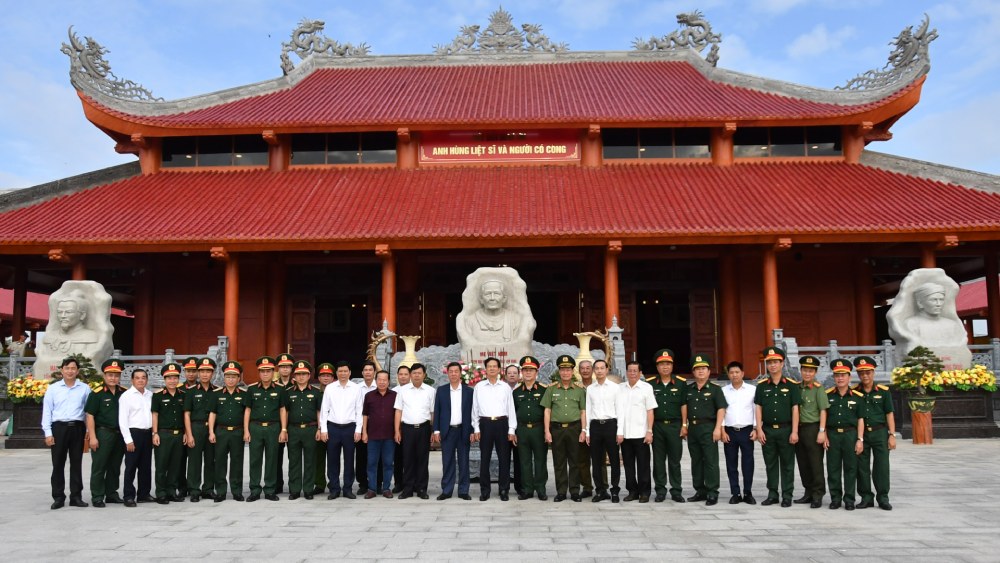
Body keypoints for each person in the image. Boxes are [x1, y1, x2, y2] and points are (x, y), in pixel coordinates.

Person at [42, 356, 92, 509]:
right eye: (67, 368)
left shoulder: (84, 388)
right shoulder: (53, 389)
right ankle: (58, 497)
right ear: (62, 370)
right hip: (59, 428)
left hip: (77, 428)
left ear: (77, 371)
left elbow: (88, 412)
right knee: (58, 464)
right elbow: (47, 412)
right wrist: (48, 433)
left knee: (76, 463)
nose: (70, 371)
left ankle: (76, 497)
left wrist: (88, 430)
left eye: (73, 368)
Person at [755, 347, 801, 507]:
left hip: (786, 429)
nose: (773, 365)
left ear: (782, 364)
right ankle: (772, 494)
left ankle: (787, 495)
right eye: (770, 363)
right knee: (771, 464)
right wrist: (759, 429)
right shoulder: (761, 386)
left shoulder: (792, 385)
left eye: (776, 362)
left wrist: (795, 431)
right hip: (767, 430)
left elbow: (795, 409)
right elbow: (758, 407)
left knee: (788, 464)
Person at [471, 357, 518, 501]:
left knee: (504, 458)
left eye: (494, 366)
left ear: (499, 369)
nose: (492, 368)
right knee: (484, 458)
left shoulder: (505, 387)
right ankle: (485, 490)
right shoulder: (479, 387)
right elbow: (475, 408)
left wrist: (511, 430)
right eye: (489, 366)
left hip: (502, 424)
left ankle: (504, 490)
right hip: (485, 424)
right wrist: (476, 428)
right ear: (485, 369)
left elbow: (511, 409)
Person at [541, 355, 587, 502]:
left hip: (574, 428)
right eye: (562, 370)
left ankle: (574, 491)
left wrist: (584, 430)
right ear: (559, 372)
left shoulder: (579, 390)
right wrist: (547, 431)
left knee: (575, 461)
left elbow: (583, 411)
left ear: (572, 371)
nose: (565, 373)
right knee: (559, 462)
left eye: (568, 370)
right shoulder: (551, 389)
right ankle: (561, 491)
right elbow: (547, 411)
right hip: (557, 429)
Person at [853, 355, 895, 511]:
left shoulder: (883, 392)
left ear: (873, 372)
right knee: (861, 467)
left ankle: (883, 497)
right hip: (862, 435)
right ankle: (866, 497)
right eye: (862, 373)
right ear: (858, 374)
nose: (865, 375)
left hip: (880, 433)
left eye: (868, 372)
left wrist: (892, 435)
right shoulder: (854, 392)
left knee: (882, 466)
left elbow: (889, 413)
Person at [685, 354, 727, 505]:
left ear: (709, 371)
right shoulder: (688, 389)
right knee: (696, 460)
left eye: (703, 368)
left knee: (710, 461)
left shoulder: (715, 390)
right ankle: (700, 490)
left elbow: (721, 409)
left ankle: (712, 491)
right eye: (697, 369)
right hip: (693, 428)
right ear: (693, 372)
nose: (700, 371)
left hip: (709, 427)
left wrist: (718, 428)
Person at [824, 358, 865, 510]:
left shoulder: (857, 397)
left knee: (850, 468)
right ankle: (835, 498)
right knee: (833, 468)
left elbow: (861, 419)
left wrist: (860, 439)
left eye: (843, 375)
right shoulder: (828, 395)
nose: (840, 378)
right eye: (837, 375)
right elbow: (825, 417)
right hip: (833, 435)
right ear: (833, 377)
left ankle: (849, 499)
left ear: (849, 377)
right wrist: (825, 435)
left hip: (850, 435)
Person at [84, 358, 127, 507]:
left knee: (115, 466)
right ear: (104, 376)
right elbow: (90, 416)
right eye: (110, 375)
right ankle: (97, 496)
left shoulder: (124, 393)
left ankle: (111, 494)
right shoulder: (97, 394)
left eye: (116, 375)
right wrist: (93, 437)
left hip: (119, 435)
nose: (113, 378)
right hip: (103, 433)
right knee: (99, 466)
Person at [319, 361, 364, 500]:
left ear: (350, 373)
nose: (343, 374)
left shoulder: (356, 389)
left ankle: (348, 489)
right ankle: (334, 488)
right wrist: (324, 429)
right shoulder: (330, 388)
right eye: (340, 371)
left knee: (349, 460)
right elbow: (324, 410)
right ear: (336, 373)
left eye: (345, 371)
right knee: (332, 459)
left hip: (350, 428)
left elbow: (359, 410)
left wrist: (358, 429)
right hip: (333, 427)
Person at [648, 348, 688, 503]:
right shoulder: (650, 384)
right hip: (657, 426)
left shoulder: (680, 383)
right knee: (658, 460)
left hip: (674, 426)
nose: (665, 367)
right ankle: (660, 490)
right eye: (662, 364)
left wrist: (684, 425)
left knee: (674, 460)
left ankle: (676, 490)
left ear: (672, 366)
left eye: (668, 364)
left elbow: (684, 405)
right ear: (657, 367)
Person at [280, 360, 321, 500]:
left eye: (304, 374)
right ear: (294, 376)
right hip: (293, 430)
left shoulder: (316, 392)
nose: (301, 377)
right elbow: (285, 411)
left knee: (310, 460)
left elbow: (318, 412)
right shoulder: (288, 392)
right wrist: (284, 429)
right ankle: (295, 489)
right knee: (294, 461)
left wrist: (319, 428)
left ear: (309, 375)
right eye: (298, 374)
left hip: (310, 429)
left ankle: (308, 489)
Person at [616, 361, 656, 503]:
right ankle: (632, 491)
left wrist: (649, 431)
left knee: (643, 465)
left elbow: (650, 411)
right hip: (625, 434)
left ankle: (644, 492)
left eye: (635, 371)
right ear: (626, 372)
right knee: (628, 465)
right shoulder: (620, 388)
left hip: (641, 433)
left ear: (640, 373)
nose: (632, 373)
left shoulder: (646, 388)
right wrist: (618, 432)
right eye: (630, 370)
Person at [394, 363, 435, 499]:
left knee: (423, 459)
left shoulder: (430, 391)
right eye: (414, 373)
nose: (417, 375)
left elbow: (432, 413)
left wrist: (433, 431)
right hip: (407, 429)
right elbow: (398, 411)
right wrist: (397, 431)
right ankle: (408, 489)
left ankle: (422, 488)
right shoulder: (403, 390)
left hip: (424, 428)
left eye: (419, 373)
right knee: (408, 459)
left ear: (424, 375)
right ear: (410, 375)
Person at [244, 356, 283, 502]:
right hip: (255, 427)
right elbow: (247, 410)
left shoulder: (280, 389)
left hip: (273, 427)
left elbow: (282, 410)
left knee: (272, 459)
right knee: (255, 459)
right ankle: (254, 489)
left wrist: (283, 429)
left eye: (268, 371)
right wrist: (247, 430)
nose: (265, 374)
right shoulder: (252, 389)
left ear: (273, 372)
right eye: (262, 371)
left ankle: (270, 490)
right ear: (259, 373)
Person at [433, 362, 474, 500]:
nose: (454, 374)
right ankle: (447, 490)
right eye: (451, 371)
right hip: (447, 431)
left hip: (464, 430)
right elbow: (437, 411)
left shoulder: (469, 391)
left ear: (460, 373)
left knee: (464, 461)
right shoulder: (441, 390)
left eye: (456, 371)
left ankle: (463, 490)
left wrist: (473, 430)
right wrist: (436, 430)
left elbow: (473, 412)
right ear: (448, 373)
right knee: (447, 461)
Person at [208, 361, 247, 502]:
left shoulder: (244, 394)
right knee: (220, 462)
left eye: (234, 377)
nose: (231, 379)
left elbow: (246, 414)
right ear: (224, 378)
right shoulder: (216, 394)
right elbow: (212, 413)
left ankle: (237, 491)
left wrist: (246, 431)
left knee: (237, 462)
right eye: (228, 377)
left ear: (238, 379)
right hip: (221, 432)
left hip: (237, 432)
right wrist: (211, 432)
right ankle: (221, 491)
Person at [794, 355, 829, 508]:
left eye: (810, 371)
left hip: (813, 428)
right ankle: (807, 492)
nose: (807, 374)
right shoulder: (797, 387)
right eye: (805, 370)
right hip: (798, 429)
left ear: (815, 373)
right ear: (800, 371)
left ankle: (818, 494)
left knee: (815, 463)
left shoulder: (818, 389)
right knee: (803, 462)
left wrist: (822, 431)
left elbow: (823, 411)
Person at [720, 361, 757, 505]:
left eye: (737, 372)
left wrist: (755, 428)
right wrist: (722, 430)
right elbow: (721, 411)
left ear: (742, 373)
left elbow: (756, 410)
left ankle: (748, 492)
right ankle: (735, 492)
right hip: (729, 431)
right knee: (731, 463)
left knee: (748, 463)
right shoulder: (723, 391)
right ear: (728, 375)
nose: (734, 375)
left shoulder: (752, 390)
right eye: (731, 372)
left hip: (747, 431)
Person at [512, 355, 548, 500]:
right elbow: (513, 413)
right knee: (524, 461)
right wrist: (513, 431)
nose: (528, 373)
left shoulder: (544, 390)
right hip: (522, 430)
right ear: (521, 372)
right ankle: (527, 489)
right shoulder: (516, 392)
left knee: (540, 460)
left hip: (538, 429)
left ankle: (540, 489)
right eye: (525, 370)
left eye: (531, 370)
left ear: (536, 372)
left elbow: (547, 411)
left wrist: (547, 431)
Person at [585, 359, 621, 503]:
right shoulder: (590, 389)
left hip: (611, 425)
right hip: (595, 426)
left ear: (607, 370)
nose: (599, 371)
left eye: (602, 368)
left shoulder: (615, 388)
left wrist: (620, 431)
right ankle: (600, 490)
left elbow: (620, 410)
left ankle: (615, 490)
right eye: (597, 368)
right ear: (594, 371)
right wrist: (587, 431)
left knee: (614, 460)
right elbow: (588, 409)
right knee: (597, 460)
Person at [151, 362, 187, 503]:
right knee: (161, 465)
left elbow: (185, 415)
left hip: (178, 434)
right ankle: (161, 493)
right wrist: (155, 433)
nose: (172, 381)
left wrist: (185, 432)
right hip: (163, 434)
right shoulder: (158, 395)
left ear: (178, 379)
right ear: (164, 379)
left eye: (175, 378)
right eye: (169, 378)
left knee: (175, 465)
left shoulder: (183, 395)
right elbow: (155, 415)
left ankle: (171, 491)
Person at [183, 357, 217, 502]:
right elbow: (187, 414)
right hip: (195, 428)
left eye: (208, 371)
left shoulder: (216, 391)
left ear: (213, 373)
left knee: (211, 460)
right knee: (194, 461)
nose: (204, 374)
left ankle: (208, 489)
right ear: (198, 372)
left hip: (212, 429)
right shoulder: (191, 391)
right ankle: (194, 490)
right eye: (202, 371)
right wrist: (189, 434)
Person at [120, 368, 154, 507]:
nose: (141, 380)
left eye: (143, 377)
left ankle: (144, 494)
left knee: (146, 466)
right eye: (137, 378)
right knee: (131, 466)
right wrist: (128, 440)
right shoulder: (126, 396)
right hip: (134, 434)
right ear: (132, 380)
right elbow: (123, 420)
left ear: (147, 380)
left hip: (147, 434)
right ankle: (128, 495)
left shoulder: (150, 395)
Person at [363, 369, 398, 499]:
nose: (382, 382)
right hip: (373, 435)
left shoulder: (395, 395)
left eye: (385, 380)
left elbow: (398, 415)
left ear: (388, 381)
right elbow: (365, 415)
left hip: (389, 436)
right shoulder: (369, 396)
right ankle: (372, 489)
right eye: (379, 380)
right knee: (372, 463)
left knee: (388, 463)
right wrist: (364, 432)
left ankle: (386, 488)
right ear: (376, 381)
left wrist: (397, 432)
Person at [177, 356, 201, 498]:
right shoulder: (179, 389)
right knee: (180, 460)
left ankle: (195, 486)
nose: (191, 374)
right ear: (184, 372)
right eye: (188, 371)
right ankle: (181, 487)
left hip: (194, 429)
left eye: (194, 371)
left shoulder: (201, 388)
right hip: (180, 430)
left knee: (194, 460)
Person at [274, 352, 296, 494]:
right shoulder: (274, 386)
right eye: (282, 367)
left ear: (292, 369)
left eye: (288, 367)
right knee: (276, 457)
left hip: (293, 426)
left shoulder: (296, 385)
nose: (285, 370)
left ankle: (294, 485)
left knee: (293, 457)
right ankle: (277, 485)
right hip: (278, 426)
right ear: (278, 369)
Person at [355, 360, 378, 495]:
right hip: (361, 424)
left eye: (370, 370)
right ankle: (363, 483)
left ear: (374, 372)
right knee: (361, 455)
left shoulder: (380, 385)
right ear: (362, 373)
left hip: (377, 425)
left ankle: (377, 482)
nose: (368, 372)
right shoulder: (357, 388)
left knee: (377, 455)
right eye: (366, 370)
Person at [313, 362, 335, 495]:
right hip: (318, 430)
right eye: (323, 375)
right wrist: (319, 428)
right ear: (319, 378)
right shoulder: (315, 393)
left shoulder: (336, 391)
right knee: (318, 457)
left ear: (333, 378)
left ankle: (333, 482)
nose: (326, 378)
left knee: (333, 458)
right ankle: (319, 483)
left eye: (328, 375)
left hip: (333, 428)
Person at [390, 364, 412, 494]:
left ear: (409, 376)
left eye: (405, 374)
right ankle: (399, 483)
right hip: (397, 428)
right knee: (397, 457)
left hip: (410, 427)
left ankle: (412, 482)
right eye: (401, 374)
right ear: (397, 376)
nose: (403, 377)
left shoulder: (413, 389)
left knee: (411, 457)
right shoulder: (393, 391)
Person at [504, 363, 524, 496]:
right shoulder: (501, 389)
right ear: (505, 376)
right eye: (509, 373)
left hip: (520, 430)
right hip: (503, 429)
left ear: (519, 375)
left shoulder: (522, 389)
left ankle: (520, 486)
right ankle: (504, 487)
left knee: (519, 459)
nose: (512, 375)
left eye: (514, 373)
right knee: (504, 458)